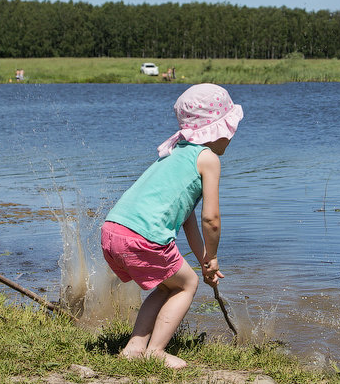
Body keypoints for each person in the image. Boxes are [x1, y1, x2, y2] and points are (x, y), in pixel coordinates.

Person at [100, 84, 242, 369]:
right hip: (142, 237)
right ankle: (156, 351)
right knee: (186, 285)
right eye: (231, 127)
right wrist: (213, 256)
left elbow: (187, 218)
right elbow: (210, 219)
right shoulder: (207, 159)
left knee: (168, 286)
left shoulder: (175, 153)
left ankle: (135, 347)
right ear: (218, 128)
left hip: (114, 230)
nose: (233, 135)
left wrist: (204, 261)